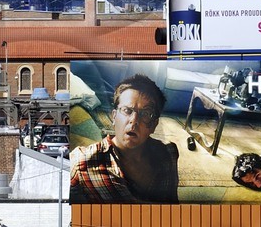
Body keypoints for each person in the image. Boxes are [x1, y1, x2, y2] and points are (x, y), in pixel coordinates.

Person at [69, 74, 180, 204]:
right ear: (114, 117)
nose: (134, 121)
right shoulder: (83, 163)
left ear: (154, 125)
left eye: (145, 113)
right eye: (127, 110)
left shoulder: (168, 153)